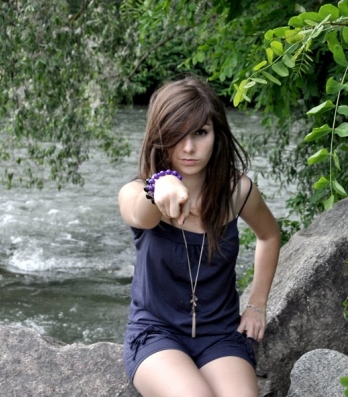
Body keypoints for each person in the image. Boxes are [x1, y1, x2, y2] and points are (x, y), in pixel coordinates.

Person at [118, 76, 281, 397]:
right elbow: (140, 215)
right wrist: (159, 185)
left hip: (220, 334)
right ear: (159, 137)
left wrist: (257, 304)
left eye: (200, 133)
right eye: (177, 135)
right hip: (156, 333)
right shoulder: (136, 192)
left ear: (216, 135)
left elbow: (269, 235)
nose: (189, 148)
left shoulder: (237, 191)